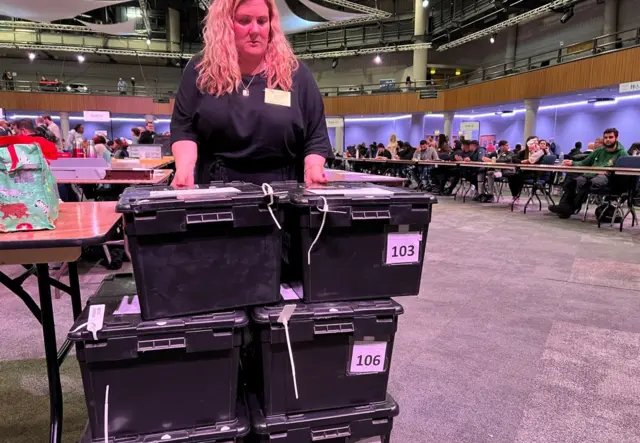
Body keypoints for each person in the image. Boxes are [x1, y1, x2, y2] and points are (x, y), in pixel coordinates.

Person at [170, 0, 331, 186]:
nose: (255, 30)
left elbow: (316, 135)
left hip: (283, 196)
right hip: (216, 194)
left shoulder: (296, 73)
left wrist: (313, 168)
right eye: (244, 21)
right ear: (225, 24)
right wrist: (184, 168)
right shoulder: (200, 71)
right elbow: (184, 129)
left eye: (262, 21)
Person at [549, 128, 628, 219]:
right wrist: (572, 163)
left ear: (616, 138)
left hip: (606, 178)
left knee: (588, 185)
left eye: (611, 137)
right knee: (573, 183)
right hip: (589, 175)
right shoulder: (598, 151)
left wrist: (608, 170)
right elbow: (584, 163)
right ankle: (564, 206)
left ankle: (571, 208)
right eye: (605, 137)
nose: (608, 139)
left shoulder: (622, 153)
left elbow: (623, 172)